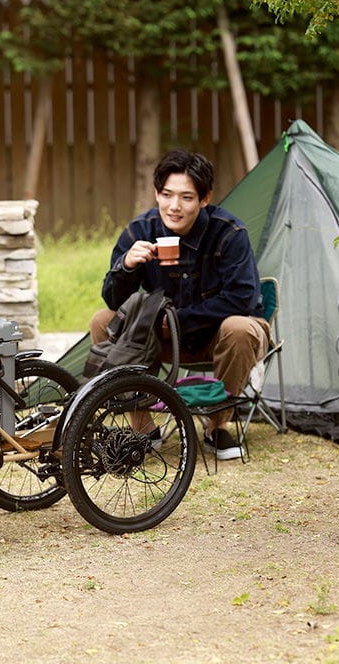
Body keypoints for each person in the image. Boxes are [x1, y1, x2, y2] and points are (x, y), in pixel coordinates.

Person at [90, 149, 269, 461]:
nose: (174, 206)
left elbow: (243, 297)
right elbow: (113, 301)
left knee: (240, 328)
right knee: (102, 320)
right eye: (166, 195)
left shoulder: (229, 233)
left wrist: (177, 319)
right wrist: (128, 266)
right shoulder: (140, 231)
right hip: (158, 339)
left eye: (186, 197)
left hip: (217, 336)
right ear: (157, 194)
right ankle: (143, 427)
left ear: (204, 198)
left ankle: (217, 427)